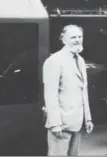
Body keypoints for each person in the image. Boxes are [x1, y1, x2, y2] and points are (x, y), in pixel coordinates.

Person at [42, 24, 94, 156]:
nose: (77, 40)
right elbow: (50, 94)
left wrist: (87, 118)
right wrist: (55, 123)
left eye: (80, 36)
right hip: (61, 124)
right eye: (73, 37)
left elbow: (83, 91)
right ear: (63, 40)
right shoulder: (54, 61)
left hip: (77, 122)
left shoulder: (81, 60)